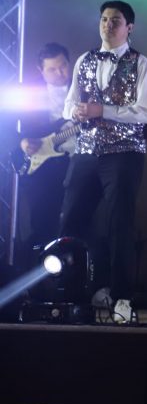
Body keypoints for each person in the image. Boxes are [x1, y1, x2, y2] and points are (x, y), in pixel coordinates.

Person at [61, 1, 147, 321]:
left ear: (129, 27)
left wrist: (103, 110)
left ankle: (122, 298)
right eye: (104, 19)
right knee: (71, 220)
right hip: (86, 150)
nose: (108, 25)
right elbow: (68, 104)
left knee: (119, 224)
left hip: (123, 152)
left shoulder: (139, 62)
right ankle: (76, 293)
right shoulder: (85, 59)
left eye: (115, 20)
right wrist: (75, 111)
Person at [16, 43, 74, 263]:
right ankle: (39, 271)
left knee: (76, 220)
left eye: (63, 66)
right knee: (42, 222)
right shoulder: (30, 94)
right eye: (52, 69)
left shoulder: (84, 90)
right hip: (42, 166)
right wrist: (22, 142)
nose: (60, 73)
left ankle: (76, 271)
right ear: (41, 71)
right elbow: (10, 126)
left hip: (76, 162)